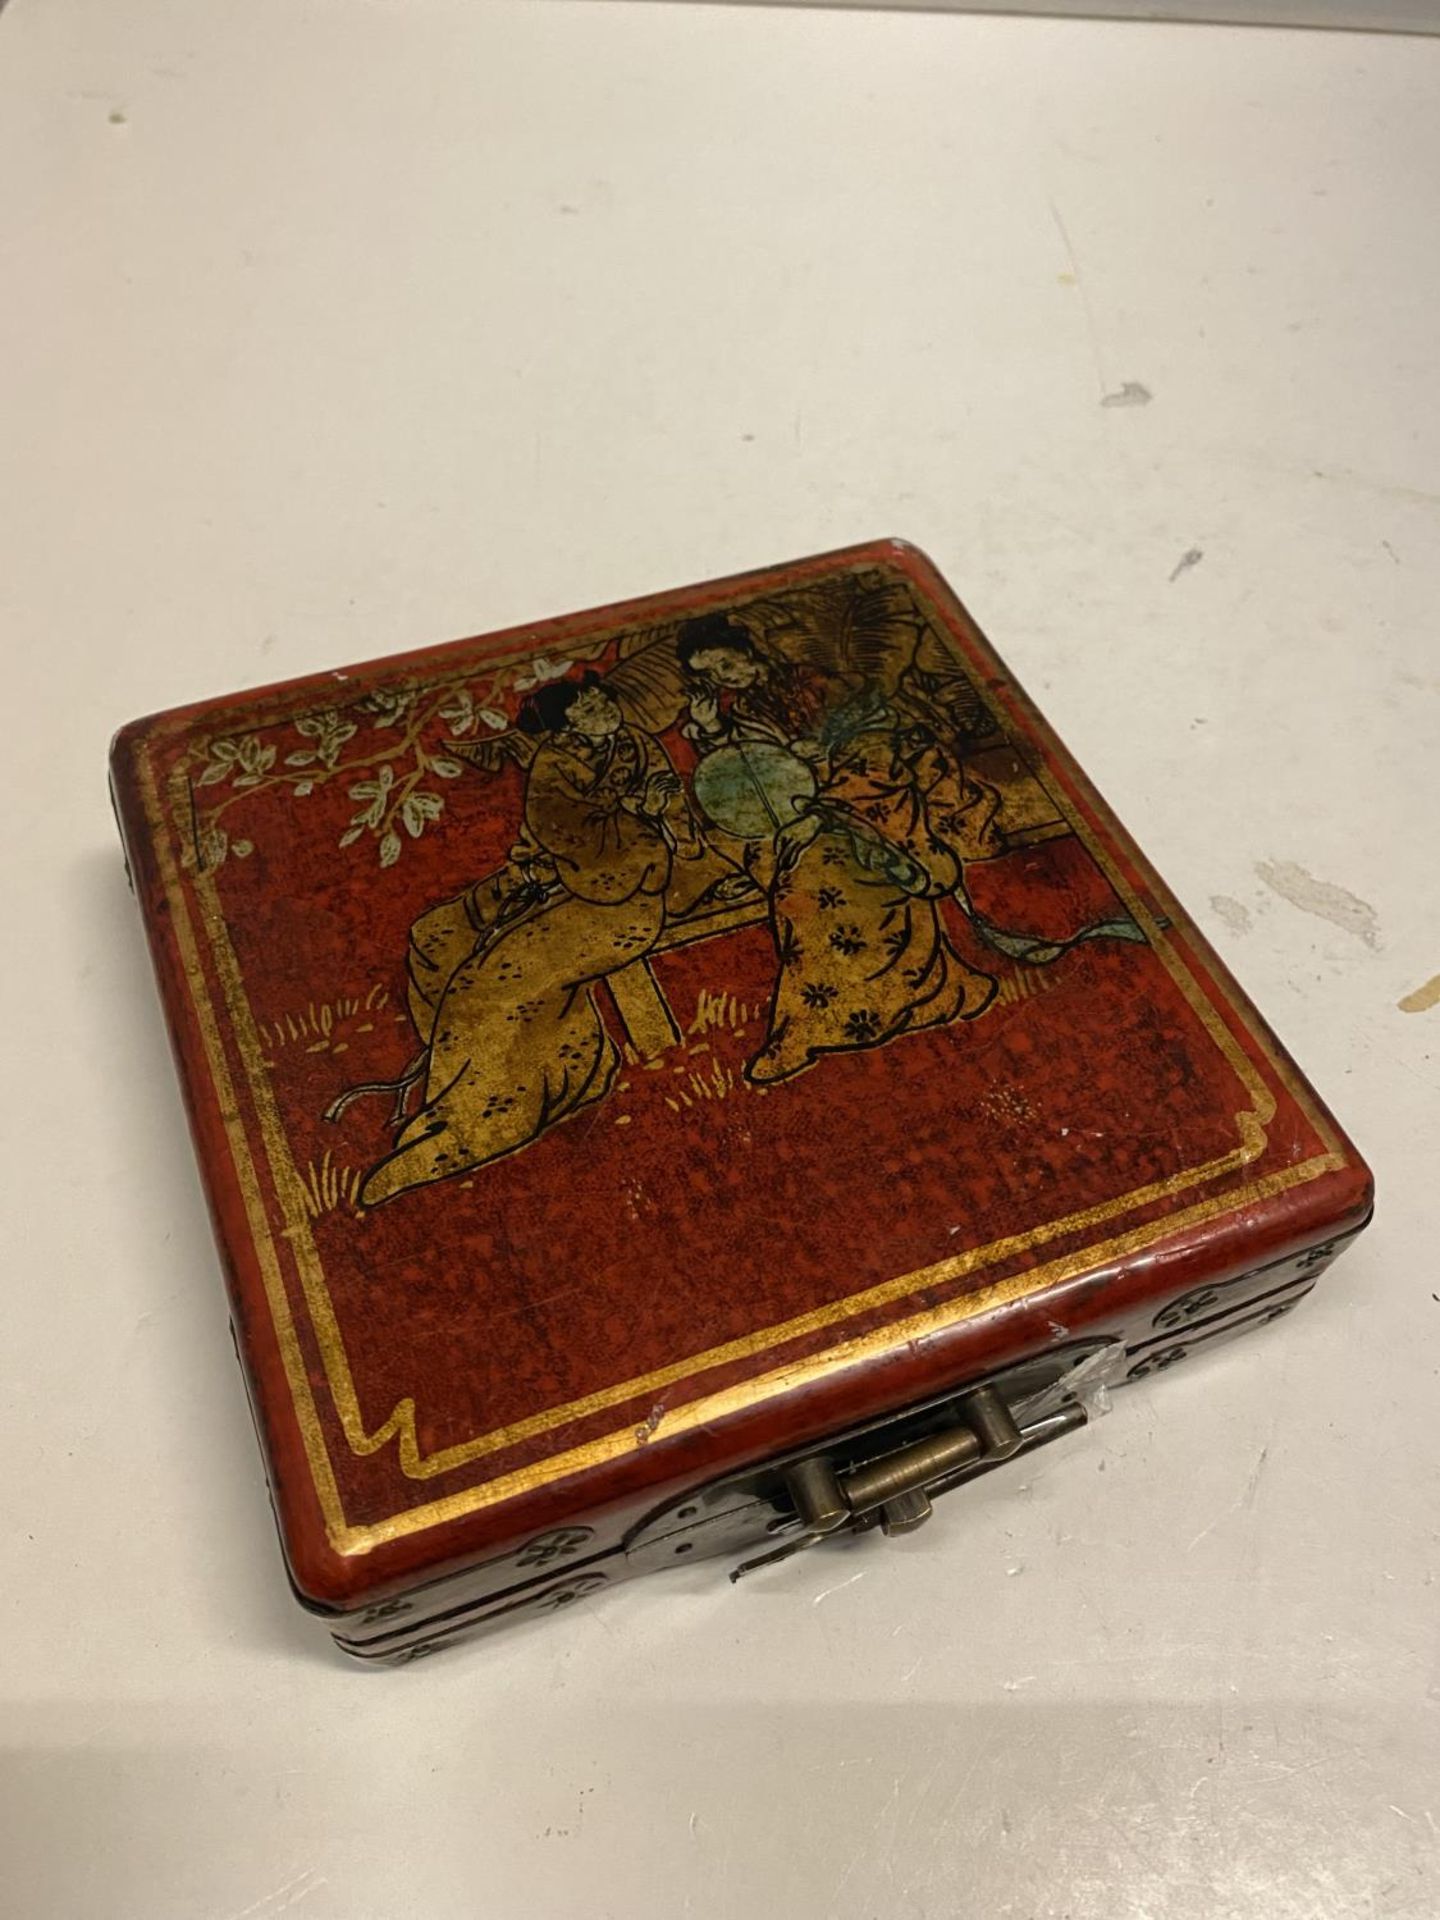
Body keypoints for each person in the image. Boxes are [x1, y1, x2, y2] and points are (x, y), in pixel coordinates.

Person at [355, 674, 733, 1204]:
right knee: (435, 939)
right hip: (552, 881)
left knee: (492, 987)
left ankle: (477, 1125)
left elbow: (673, 827)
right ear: (566, 724)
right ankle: (493, 1088)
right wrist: (628, 815)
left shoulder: (638, 747)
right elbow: (559, 832)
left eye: (602, 698)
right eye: (587, 708)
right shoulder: (555, 765)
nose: (603, 708)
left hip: (623, 898)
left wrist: (652, 818)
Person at [745, 709, 1001, 1086]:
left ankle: (809, 1028)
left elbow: (872, 771)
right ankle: (933, 993)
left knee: (815, 894)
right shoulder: (749, 707)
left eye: (727, 663)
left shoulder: (861, 717)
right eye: (714, 671)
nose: (726, 676)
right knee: (783, 877)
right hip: (839, 827)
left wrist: (817, 817)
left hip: (881, 831)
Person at [678, 612, 832, 755]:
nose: (721, 677)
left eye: (726, 665)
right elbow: (744, 758)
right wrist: (711, 725)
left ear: (745, 650)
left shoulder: (807, 678)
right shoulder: (741, 710)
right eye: (708, 674)